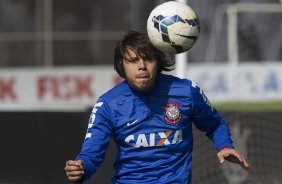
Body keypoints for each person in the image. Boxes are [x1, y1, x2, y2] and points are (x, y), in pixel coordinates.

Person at [64, 31, 249, 184]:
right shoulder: (108, 104)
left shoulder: (186, 92)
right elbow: (91, 154)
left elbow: (215, 124)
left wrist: (224, 146)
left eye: (148, 59)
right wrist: (81, 168)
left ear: (158, 62)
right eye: (133, 60)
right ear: (122, 65)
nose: (142, 66)